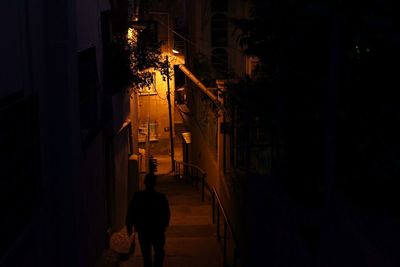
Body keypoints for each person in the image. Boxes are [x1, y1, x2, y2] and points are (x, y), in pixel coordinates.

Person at [126, 173, 170, 267]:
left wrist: (130, 226)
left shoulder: (138, 196)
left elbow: (131, 211)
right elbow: (166, 213)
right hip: (157, 230)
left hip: (143, 230)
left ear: (145, 182)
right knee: (159, 252)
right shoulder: (161, 198)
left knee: (146, 255)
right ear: (155, 183)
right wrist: (164, 225)